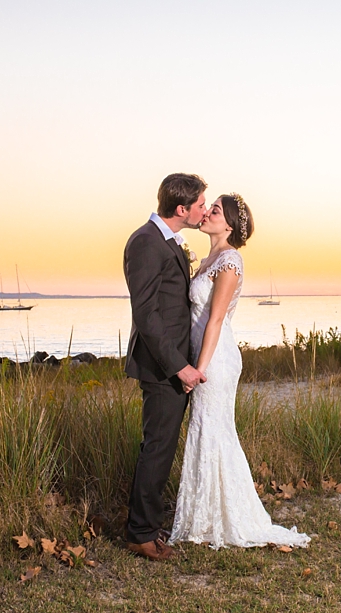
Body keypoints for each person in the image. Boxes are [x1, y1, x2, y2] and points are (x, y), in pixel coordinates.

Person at [169, 193, 310, 549]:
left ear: (229, 224)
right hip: (203, 354)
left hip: (215, 359)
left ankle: (223, 520)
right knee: (205, 432)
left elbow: (216, 320)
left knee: (214, 431)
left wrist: (198, 369)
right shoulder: (207, 259)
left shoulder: (230, 262)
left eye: (214, 210)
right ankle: (201, 518)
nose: (206, 213)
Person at [122, 173, 208, 561]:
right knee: (156, 448)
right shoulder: (145, 242)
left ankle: (148, 525)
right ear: (181, 209)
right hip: (161, 367)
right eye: (201, 204)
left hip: (175, 362)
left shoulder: (167, 240)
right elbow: (147, 316)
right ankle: (141, 534)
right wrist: (179, 368)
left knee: (162, 446)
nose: (204, 210)